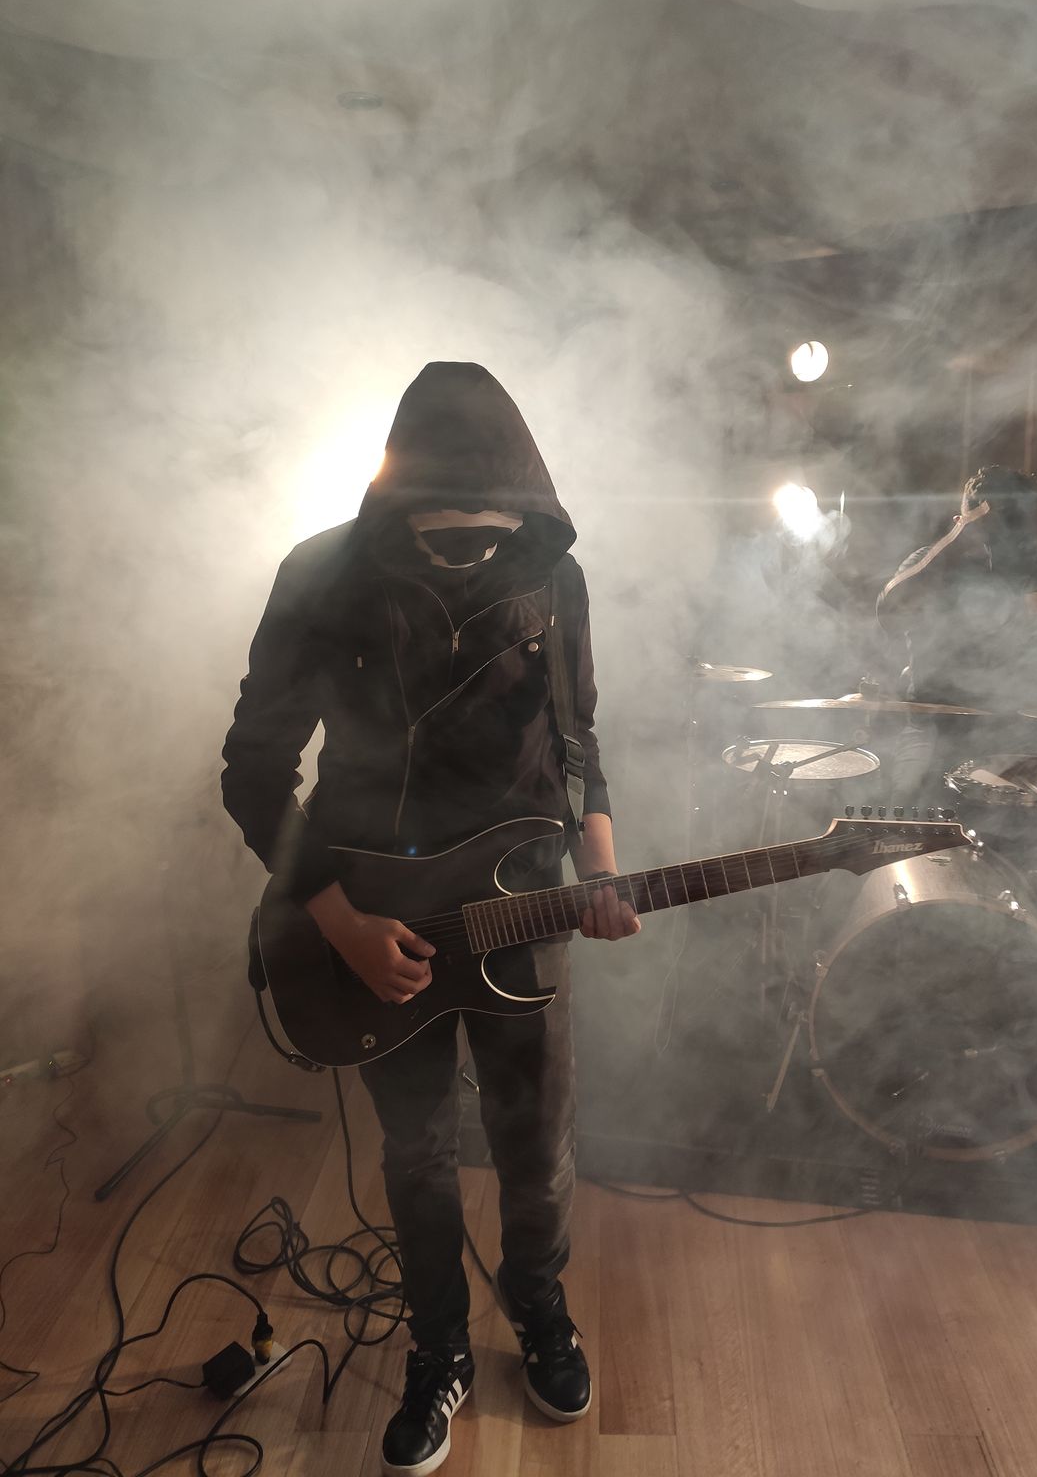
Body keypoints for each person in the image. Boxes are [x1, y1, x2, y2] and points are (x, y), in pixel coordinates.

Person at [222, 362, 640, 1477]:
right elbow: (254, 770)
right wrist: (339, 921)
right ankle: (439, 1346)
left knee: (536, 1143)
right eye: (441, 538)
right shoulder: (321, 575)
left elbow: (581, 746)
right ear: (395, 503)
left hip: (525, 899)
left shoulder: (557, 579)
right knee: (416, 1148)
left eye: (489, 539)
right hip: (372, 914)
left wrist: (601, 870)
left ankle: (539, 1312)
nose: (467, 558)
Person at [876, 465, 1037, 802]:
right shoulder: (931, 560)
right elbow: (891, 611)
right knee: (907, 810)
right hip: (933, 729)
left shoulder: (1029, 571)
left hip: (1006, 731)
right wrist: (960, 536)